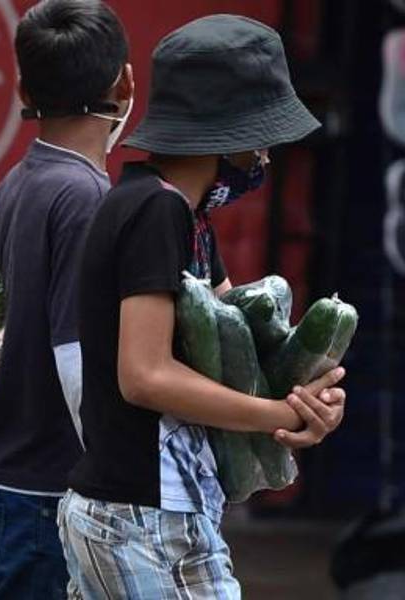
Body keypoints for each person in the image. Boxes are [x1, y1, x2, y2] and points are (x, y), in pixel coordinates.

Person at [58, 15, 348, 599]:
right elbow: (144, 375)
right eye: (262, 135)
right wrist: (276, 416)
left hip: (178, 507)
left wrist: (309, 403)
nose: (266, 153)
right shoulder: (153, 212)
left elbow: (236, 342)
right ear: (229, 133)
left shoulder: (190, 221)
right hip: (133, 515)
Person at [0, 1, 133, 597]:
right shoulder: (87, 196)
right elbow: (76, 355)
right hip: (51, 487)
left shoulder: (30, 175)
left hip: (11, 473)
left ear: (22, 85)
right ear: (124, 80)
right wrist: (111, 474)